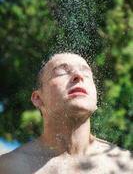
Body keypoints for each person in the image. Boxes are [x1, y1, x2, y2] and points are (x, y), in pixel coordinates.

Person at [0, 53, 132, 174]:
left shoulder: (126, 165)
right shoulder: (10, 167)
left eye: (86, 73)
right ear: (38, 99)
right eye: (61, 72)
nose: (78, 76)